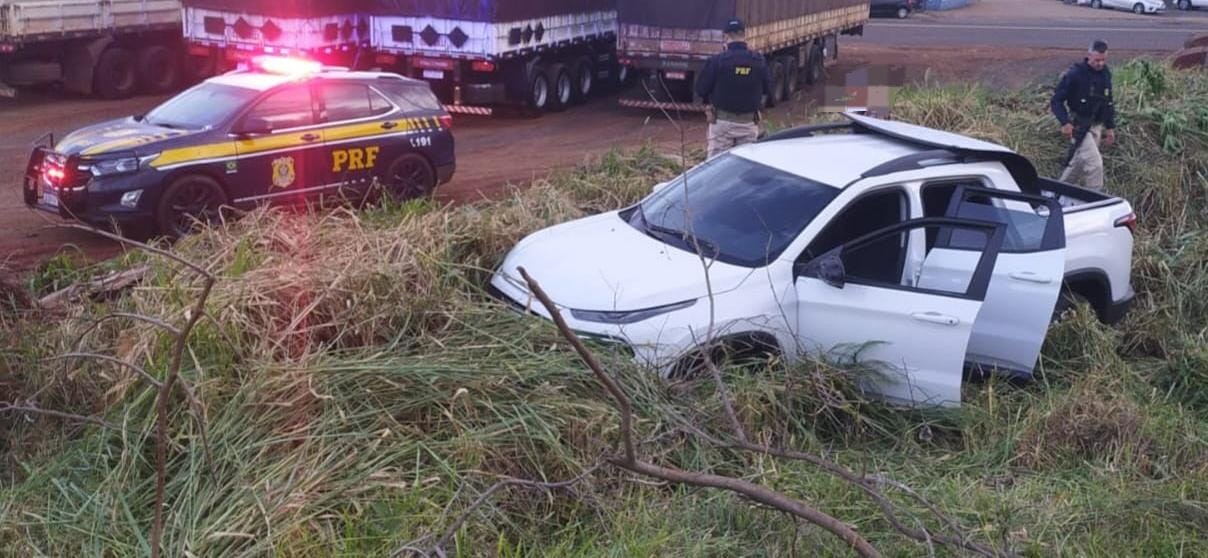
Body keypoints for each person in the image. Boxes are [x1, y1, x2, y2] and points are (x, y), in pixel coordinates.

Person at [695, 18, 775, 159]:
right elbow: (769, 89)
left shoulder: (717, 61)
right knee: (744, 168)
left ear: (726, 36)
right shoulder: (758, 60)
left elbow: (701, 89)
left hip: (722, 124)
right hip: (749, 124)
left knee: (717, 168)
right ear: (744, 35)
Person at [1050, 39, 1117, 191]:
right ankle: (1095, 200)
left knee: (1078, 164)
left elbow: (1108, 102)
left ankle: (1056, 193)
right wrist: (1065, 122)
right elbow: (1056, 101)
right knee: (1095, 165)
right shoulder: (1075, 74)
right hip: (1079, 125)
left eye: (1103, 60)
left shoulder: (1105, 73)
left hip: (1096, 126)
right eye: (1097, 60)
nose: (1100, 64)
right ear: (1089, 55)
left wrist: (1110, 127)